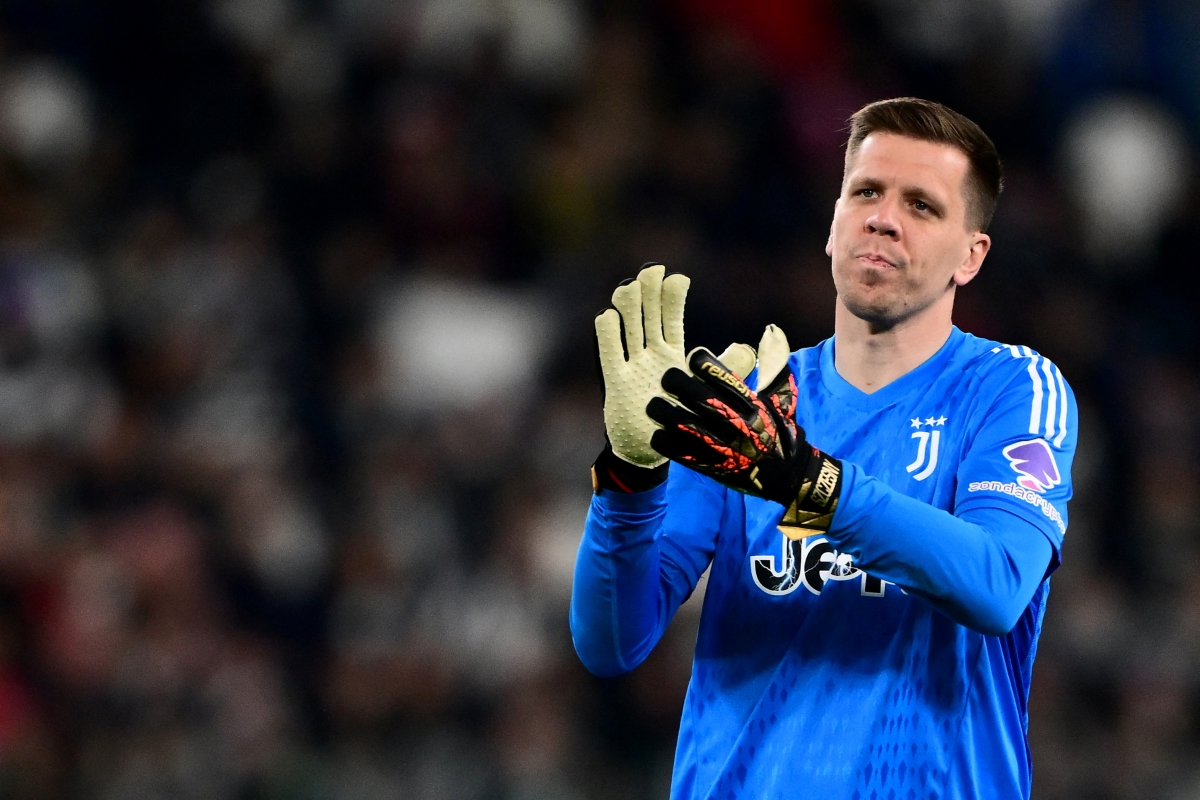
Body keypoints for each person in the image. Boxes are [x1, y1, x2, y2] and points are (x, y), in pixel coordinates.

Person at [570, 98, 1076, 800]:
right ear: (833, 224)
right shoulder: (752, 407)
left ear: (971, 255)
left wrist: (806, 482)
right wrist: (631, 478)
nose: (883, 218)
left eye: (922, 205)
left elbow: (996, 584)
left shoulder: (1010, 388)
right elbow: (610, 642)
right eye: (865, 192)